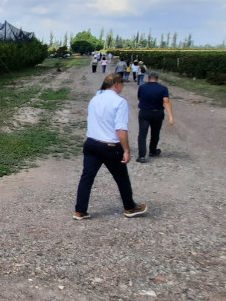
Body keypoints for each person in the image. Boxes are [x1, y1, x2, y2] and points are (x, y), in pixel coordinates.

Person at [73, 74, 148, 220]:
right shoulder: (120, 102)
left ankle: (80, 210)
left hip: (91, 143)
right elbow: (120, 129)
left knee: (87, 177)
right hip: (110, 146)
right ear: (117, 84)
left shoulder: (95, 99)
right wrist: (126, 149)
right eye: (122, 84)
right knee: (121, 177)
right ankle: (129, 207)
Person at [136, 71, 175, 163]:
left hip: (144, 113)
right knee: (155, 133)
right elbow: (166, 101)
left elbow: (139, 98)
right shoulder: (163, 88)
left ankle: (141, 156)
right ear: (157, 79)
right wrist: (171, 116)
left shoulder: (142, 87)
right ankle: (152, 151)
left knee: (142, 134)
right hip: (157, 113)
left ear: (148, 78)